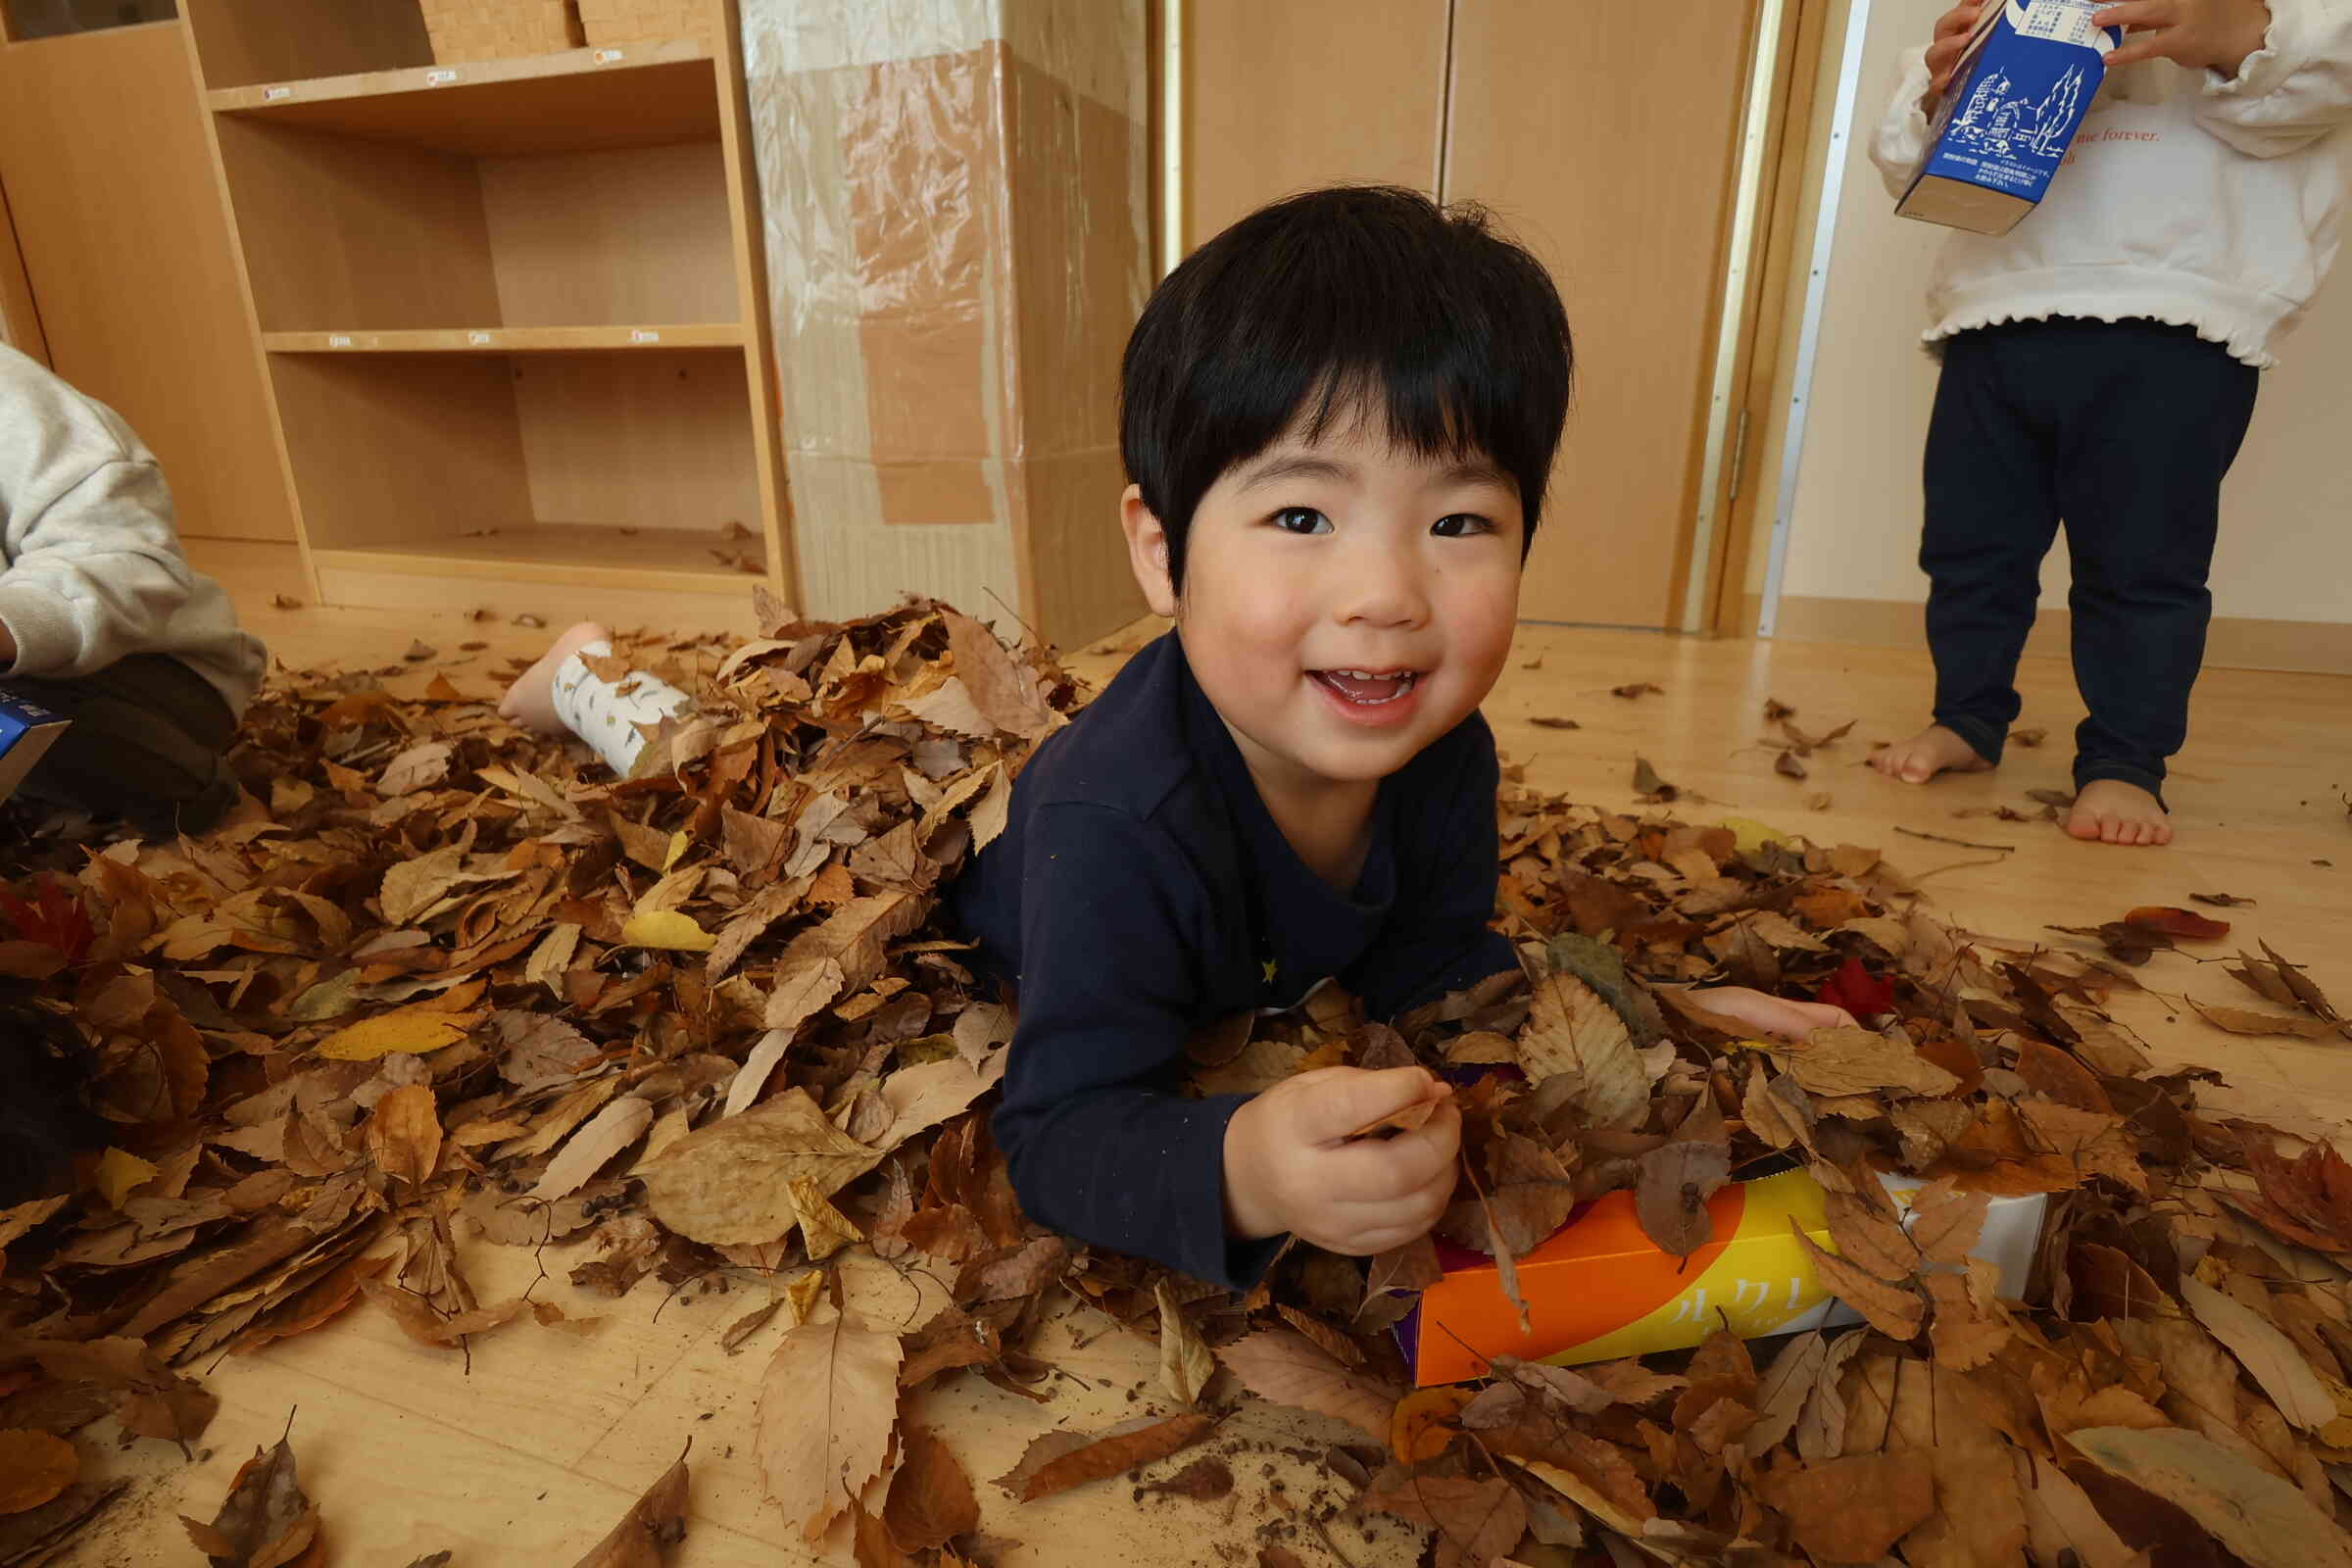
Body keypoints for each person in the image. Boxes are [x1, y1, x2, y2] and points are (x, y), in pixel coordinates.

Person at [503, 188, 1850, 1292]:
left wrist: (1647, 1009)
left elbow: (1438, 962)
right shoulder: (1120, 822)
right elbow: (1060, 1128)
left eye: (1458, 523)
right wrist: (1243, 1171)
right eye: (1303, 518)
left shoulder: (1443, 753)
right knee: (745, 777)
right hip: (921, 848)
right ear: (1161, 551)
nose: (1387, 596)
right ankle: (588, 680)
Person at [1866, 0, 2352, 847]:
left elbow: (2318, 85)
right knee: (1970, 547)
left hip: (2179, 320)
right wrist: (1943, 88)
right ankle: (1967, 718)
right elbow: (1908, 164)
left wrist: (2236, 32)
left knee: (2142, 566)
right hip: (1996, 308)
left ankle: (2127, 762)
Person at [0, 345, 266, 837]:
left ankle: (205, 805)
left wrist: (11, 624)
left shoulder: (17, 404)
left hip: (150, 669)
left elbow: (118, 556)